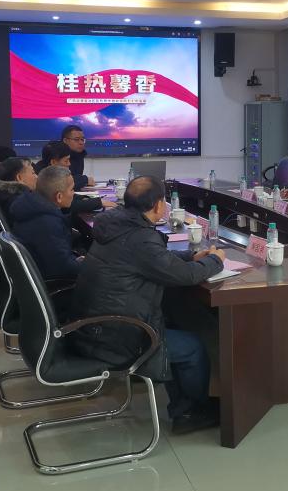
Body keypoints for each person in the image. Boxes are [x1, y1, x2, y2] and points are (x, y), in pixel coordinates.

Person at [71, 176, 225, 434]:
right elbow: (184, 276)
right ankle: (191, 412)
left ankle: (182, 403)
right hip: (114, 335)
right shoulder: (140, 238)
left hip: (93, 324)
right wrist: (216, 260)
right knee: (192, 347)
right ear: (158, 205)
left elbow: (151, 259)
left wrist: (190, 255)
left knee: (174, 317)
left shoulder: (116, 225)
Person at [9, 166, 83, 280]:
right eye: (72, 189)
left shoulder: (32, 205)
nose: (74, 193)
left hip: (40, 270)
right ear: (59, 196)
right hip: (52, 281)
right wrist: (87, 264)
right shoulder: (47, 224)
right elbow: (64, 268)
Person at [37, 142, 113, 213]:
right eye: (66, 161)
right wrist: (98, 203)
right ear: (53, 162)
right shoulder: (44, 179)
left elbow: (68, 195)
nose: (69, 164)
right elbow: (67, 205)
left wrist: (85, 198)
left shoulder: (45, 171)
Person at [0, 156, 37, 224]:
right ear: (19, 177)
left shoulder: (2, 193)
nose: (36, 176)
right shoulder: (20, 203)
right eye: (33, 173)